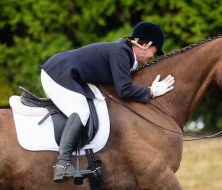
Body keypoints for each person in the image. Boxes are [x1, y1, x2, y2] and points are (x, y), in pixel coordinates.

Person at [39, 21, 175, 182]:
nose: (153, 56)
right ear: (145, 44)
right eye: (155, 50)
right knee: (81, 111)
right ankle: (62, 164)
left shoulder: (125, 54)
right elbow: (124, 90)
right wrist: (151, 91)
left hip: (70, 75)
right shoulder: (121, 52)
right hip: (57, 73)